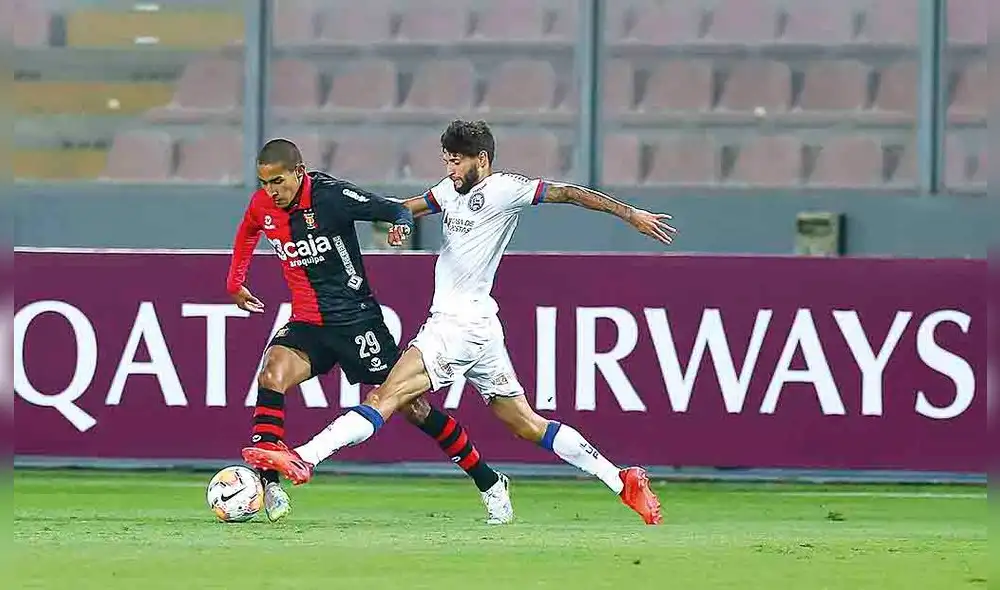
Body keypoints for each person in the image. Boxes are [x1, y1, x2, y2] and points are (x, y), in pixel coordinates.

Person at [242, 122, 677, 525]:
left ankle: (304, 456)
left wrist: (630, 214)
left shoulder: (506, 189)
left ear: (481, 160)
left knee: (387, 396)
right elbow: (407, 207)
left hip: (457, 325)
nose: (449, 169)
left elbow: (566, 193)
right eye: (446, 160)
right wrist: (397, 221)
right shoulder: (450, 190)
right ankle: (620, 479)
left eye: (457, 161)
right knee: (525, 423)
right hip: (482, 326)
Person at [227, 138, 514, 524]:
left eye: (278, 181)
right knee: (271, 374)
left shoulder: (332, 196)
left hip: (357, 322)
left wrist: (399, 226)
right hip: (309, 324)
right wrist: (235, 282)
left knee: (413, 407)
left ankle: (489, 481)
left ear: (299, 171)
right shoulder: (263, 205)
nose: (271, 191)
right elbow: (247, 231)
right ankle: (268, 483)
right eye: (264, 183)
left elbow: (394, 210)